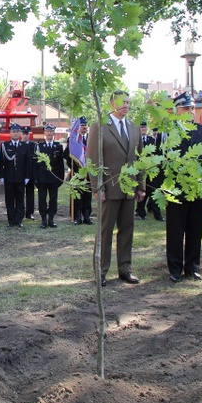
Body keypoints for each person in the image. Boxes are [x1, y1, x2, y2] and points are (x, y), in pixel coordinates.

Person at [86, 90, 145, 286]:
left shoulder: (134, 127)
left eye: (128, 102)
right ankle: (101, 271)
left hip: (130, 189)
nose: (126, 105)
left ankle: (125, 269)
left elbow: (140, 158)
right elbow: (93, 159)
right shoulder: (100, 126)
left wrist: (140, 185)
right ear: (112, 103)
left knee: (127, 229)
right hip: (109, 188)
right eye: (122, 102)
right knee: (105, 230)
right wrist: (97, 187)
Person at [164, 92, 202, 283]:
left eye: (192, 108)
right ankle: (175, 268)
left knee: (195, 229)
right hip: (176, 189)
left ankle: (192, 267)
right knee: (175, 231)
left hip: (198, 189)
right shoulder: (169, 131)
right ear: (177, 110)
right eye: (185, 108)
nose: (189, 111)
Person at [32, 123, 65, 228]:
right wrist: (36, 178)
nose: (49, 133)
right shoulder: (39, 146)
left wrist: (61, 178)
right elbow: (35, 164)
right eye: (47, 131)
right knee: (42, 199)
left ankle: (51, 219)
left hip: (54, 177)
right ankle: (43, 220)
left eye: (51, 131)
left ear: (54, 133)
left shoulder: (58, 146)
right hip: (42, 177)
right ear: (44, 133)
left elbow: (60, 163)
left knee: (53, 199)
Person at [0, 123, 30, 227]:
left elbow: (28, 163)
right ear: (10, 133)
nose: (15, 133)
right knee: (9, 200)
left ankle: (19, 220)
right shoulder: (4, 146)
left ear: (20, 133)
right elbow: (1, 162)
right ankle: (11, 220)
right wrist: (1, 176)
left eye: (17, 131)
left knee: (20, 199)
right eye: (13, 131)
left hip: (21, 178)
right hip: (9, 178)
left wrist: (27, 176)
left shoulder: (25, 146)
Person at [64, 117, 93, 225]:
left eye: (85, 125)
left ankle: (86, 217)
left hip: (88, 172)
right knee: (77, 195)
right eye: (82, 125)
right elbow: (66, 155)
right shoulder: (73, 139)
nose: (84, 127)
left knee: (87, 195)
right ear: (78, 127)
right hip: (76, 172)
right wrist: (71, 160)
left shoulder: (91, 139)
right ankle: (76, 217)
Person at [134, 121, 153, 221]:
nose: (143, 129)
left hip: (150, 169)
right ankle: (140, 211)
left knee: (148, 191)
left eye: (145, 127)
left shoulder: (151, 140)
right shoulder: (135, 140)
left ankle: (145, 209)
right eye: (141, 127)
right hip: (139, 169)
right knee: (140, 189)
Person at [22, 126, 37, 220]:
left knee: (30, 195)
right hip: (20, 174)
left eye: (26, 134)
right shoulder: (18, 145)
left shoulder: (34, 146)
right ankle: (20, 212)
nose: (25, 136)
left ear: (29, 135)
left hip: (31, 174)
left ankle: (29, 213)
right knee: (19, 195)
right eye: (23, 133)